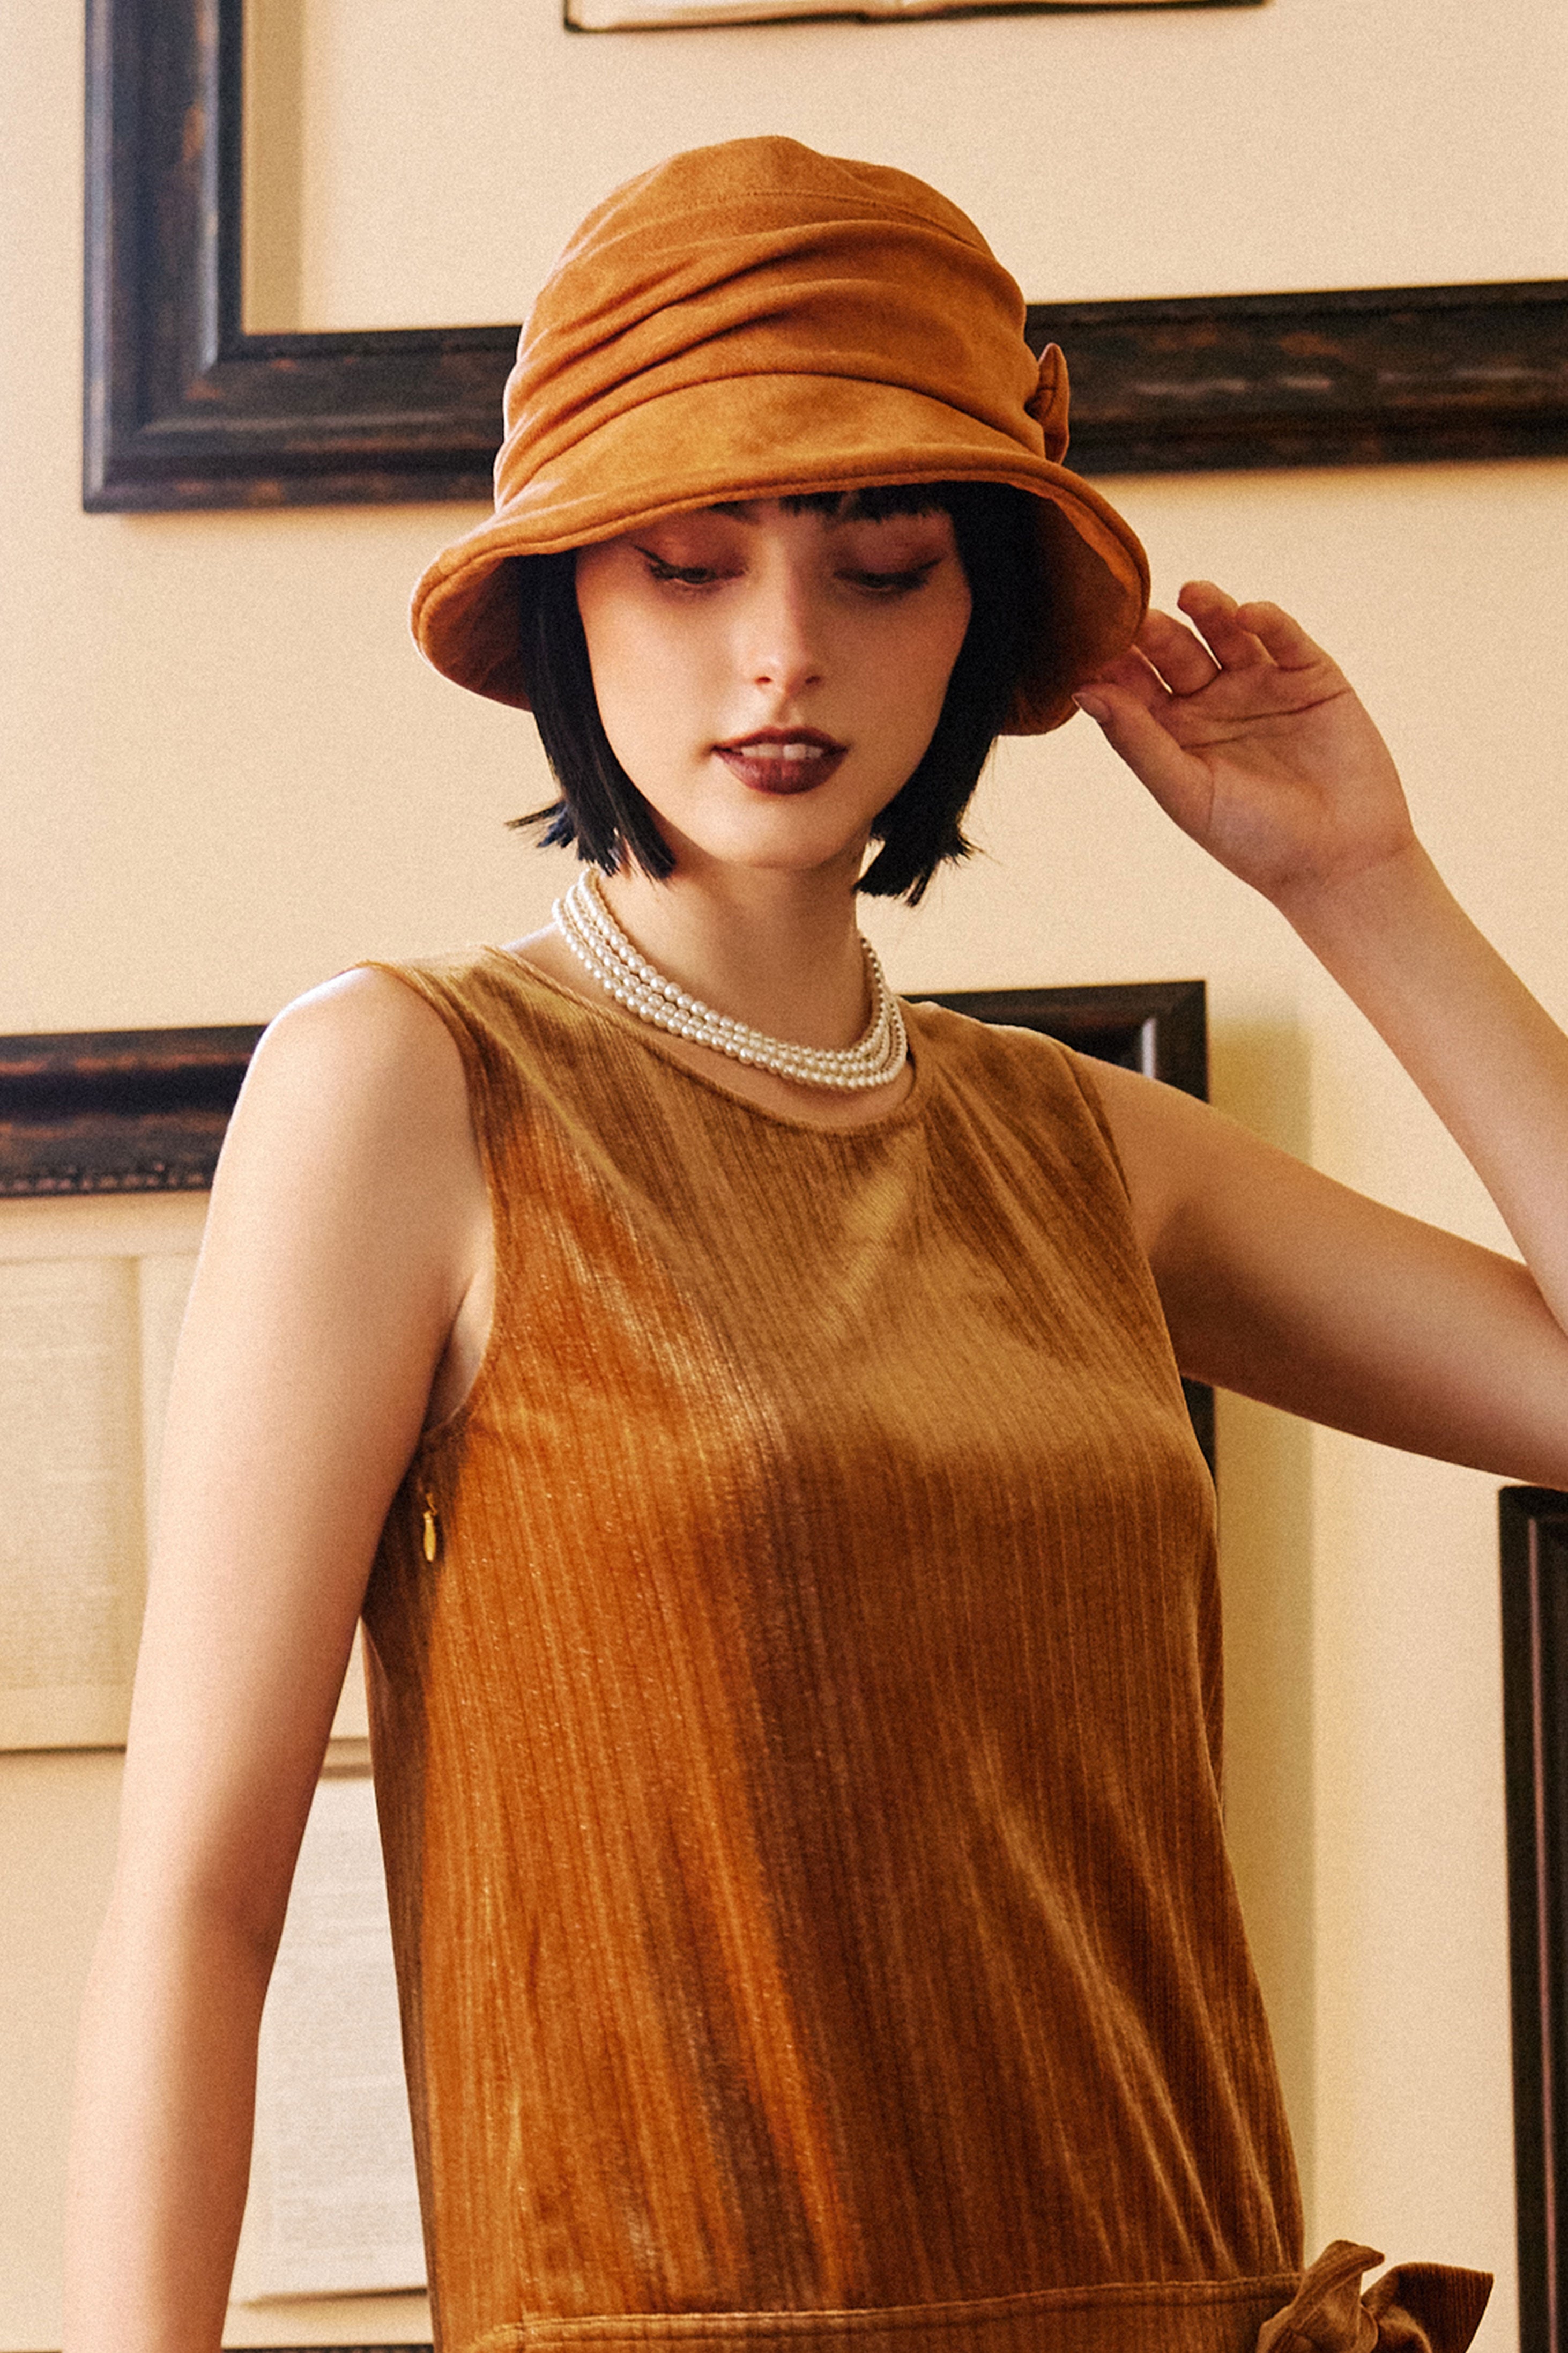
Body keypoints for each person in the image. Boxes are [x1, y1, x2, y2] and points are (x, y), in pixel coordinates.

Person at [63, 137, 1567, 2353]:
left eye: (881, 567)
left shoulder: (1080, 1150)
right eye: (690, 563)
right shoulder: (410, 1091)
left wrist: (1359, 883)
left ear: (974, 617)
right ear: (569, 597)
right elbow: (203, 1890)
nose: (784, 652)